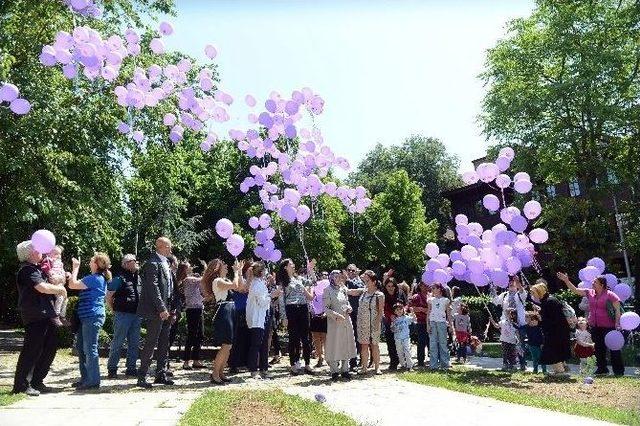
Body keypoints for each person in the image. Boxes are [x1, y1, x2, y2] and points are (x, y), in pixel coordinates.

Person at [12, 241, 65, 396]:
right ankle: (21, 385)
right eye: (38, 249)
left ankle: (37, 381)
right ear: (31, 253)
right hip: (35, 315)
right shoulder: (27, 270)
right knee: (32, 349)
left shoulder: (37, 268)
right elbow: (42, 287)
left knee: (50, 346)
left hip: (46, 314)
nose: (41, 250)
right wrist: (60, 289)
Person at [557, 273, 624, 376]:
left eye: (595, 282)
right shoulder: (590, 293)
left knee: (614, 349)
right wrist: (566, 280)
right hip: (595, 327)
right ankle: (602, 369)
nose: (592, 283)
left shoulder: (610, 295)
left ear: (601, 285)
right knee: (598, 349)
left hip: (610, 327)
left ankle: (618, 371)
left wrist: (617, 323)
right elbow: (575, 290)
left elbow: (617, 310)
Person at [68, 253, 111, 390]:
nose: (90, 261)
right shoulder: (96, 278)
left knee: (89, 348)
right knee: (81, 348)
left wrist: (75, 268)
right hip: (86, 317)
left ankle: (93, 380)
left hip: (92, 317)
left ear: (97, 264)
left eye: (92, 260)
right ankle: (86, 378)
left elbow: (72, 285)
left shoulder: (94, 278)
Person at [137, 237, 175, 388]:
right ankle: (142, 376)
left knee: (164, 343)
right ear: (160, 247)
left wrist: (172, 308)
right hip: (156, 311)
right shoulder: (152, 263)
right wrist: (161, 308)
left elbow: (170, 288)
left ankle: (161, 374)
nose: (170, 250)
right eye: (168, 247)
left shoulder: (165, 262)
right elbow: (153, 288)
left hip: (167, 309)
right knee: (151, 342)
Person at [201, 258, 240, 384]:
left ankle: (221, 372)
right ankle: (214, 374)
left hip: (230, 310)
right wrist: (236, 273)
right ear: (217, 268)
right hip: (224, 311)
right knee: (226, 345)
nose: (226, 266)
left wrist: (238, 273)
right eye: (223, 265)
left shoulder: (225, 280)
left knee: (229, 346)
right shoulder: (217, 281)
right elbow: (235, 285)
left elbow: (240, 287)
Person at [277, 258, 315, 375]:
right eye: (291, 264)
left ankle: (307, 364)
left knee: (306, 338)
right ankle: (294, 364)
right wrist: (284, 317)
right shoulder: (283, 282)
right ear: (285, 267)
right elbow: (281, 300)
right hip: (291, 309)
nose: (293, 265)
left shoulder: (299, 279)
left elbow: (313, 282)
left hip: (303, 308)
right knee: (294, 338)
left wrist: (311, 270)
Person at [106, 254, 141, 379]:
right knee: (118, 342)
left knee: (134, 343)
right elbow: (109, 295)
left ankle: (131, 368)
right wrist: (113, 310)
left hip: (136, 315)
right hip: (123, 314)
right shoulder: (119, 278)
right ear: (125, 263)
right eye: (133, 261)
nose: (136, 263)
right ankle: (112, 368)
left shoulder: (138, 278)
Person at [323, 270, 363, 381]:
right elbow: (325, 308)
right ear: (331, 278)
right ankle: (334, 371)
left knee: (346, 343)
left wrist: (349, 307)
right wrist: (335, 315)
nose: (337, 279)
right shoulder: (327, 290)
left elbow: (346, 302)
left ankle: (345, 369)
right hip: (335, 322)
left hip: (346, 320)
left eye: (339, 277)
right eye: (335, 277)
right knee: (335, 345)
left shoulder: (343, 289)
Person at [246, 261, 281, 379]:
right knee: (256, 344)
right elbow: (261, 302)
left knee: (264, 343)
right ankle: (253, 370)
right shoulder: (256, 285)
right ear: (261, 272)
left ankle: (264, 369)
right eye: (265, 270)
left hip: (263, 316)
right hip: (257, 318)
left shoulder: (260, 283)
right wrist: (272, 295)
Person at [529, 280, 571, 376]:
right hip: (555, 331)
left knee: (552, 351)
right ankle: (559, 370)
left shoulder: (549, 301)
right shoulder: (547, 301)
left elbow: (553, 319)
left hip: (556, 332)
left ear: (539, 292)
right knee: (552, 350)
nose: (533, 296)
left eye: (534, 293)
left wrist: (540, 320)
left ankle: (560, 371)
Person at [492, 276, 528, 371]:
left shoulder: (520, 294)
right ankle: (506, 363)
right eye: (510, 283)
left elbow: (523, 292)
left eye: (513, 282)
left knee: (519, 343)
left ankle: (522, 363)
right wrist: (494, 289)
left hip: (519, 323)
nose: (511, 284)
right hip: (506, 323)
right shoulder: (504, 295)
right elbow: (495, 301)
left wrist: (518, 282)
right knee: (505, 343)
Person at [357, 270, 384, 375]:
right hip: (363, 323)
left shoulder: (379, 295)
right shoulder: (363, 292)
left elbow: (380, 311)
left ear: (374, 282)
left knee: (374, 345)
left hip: (373, 322)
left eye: (368, 281)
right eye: (365, 281)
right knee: (364, 345)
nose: (366, 282)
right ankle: (364, 367)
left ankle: (377, 367)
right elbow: (351, 291)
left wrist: (377, 323)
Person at [180, 261, 205, 370]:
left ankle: (196, 359)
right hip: (192, 310)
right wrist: (206, 268)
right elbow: (203, 280)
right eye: (189, 266)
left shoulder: (193, 279)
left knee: (200, 335)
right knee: (192, 335)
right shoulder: (187, 280)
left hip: (199, 308)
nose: (191, 267)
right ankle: (186, 361)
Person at [229, 261, 251, 373]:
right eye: (250, 269)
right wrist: (239, 272)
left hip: (247, 312)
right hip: (238, 312)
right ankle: (233, 364)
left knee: (245, 338)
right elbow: (242, 288)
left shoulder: (251, 281)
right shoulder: (240, 279)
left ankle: (244, 362)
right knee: (237, 339)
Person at [382, 277, 407, 371]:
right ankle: (393, 362)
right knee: (391, 342)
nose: (390, 288)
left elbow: (406, 304)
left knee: (402, 341)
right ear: (386, 286)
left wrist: (402, 312)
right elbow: (383, 308)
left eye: (392, 286)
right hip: (389, 321)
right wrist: (390, 315)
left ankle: (404, 362)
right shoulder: (383, 295)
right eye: (388, 286)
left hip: (400, 320)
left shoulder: (400, 293)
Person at [426, 283, 453, 370]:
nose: (432, 290)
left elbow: (448, 313)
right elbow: (428, 312)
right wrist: (428, 324)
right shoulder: (430, 300)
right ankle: (433, 365)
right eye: (432, 288)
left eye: (434, 288)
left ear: (439, 289)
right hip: (433, 322)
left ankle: (445, 363)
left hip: (442, 322)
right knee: (433, 343)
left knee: (443, 343)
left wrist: (451, 325)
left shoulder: (445, 300)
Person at [41, 245, 68, 326]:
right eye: (56, 253)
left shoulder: (60, 263)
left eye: (60, 254)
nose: (59, 256)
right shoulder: (48, 260)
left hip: (60, 282)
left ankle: (62, 316)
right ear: (49, 253)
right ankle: (56, 315)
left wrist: (66, 274)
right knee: (60, 297)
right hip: (54, 282)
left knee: (65, 299)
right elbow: (45, 268)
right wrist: (50, 273)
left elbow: (62, 272)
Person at [345, 263, 364, 370]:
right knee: (345, 337)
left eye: (353, 270)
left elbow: (360, 290)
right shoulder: (343, 282)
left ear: (356, 271)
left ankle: (354, 362)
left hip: (356, 313)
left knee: (356, 337)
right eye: (349, 270)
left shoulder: (359, 281)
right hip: (345, 312)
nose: (351, 272)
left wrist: (348, 281)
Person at [408, 281, 430, 368]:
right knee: (421, 341)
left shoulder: (430, 295)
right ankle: (420, 360)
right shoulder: (416, 297)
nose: (426, 287)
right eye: (424, 285)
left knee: (430, 341)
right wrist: (421, 309)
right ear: (420, 286)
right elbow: (410, 307)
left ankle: (432, 358)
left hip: (430, 321)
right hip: (420, 322)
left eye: (427, 285)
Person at [391, 303, 415, 371]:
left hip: (406, 338)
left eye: (400, 309)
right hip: (398, 338)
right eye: (397, 310)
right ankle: (403, 365)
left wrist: (412, 312)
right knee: (399, 352)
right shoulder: (394, 319)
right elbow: (392, 329)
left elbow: (413, 319)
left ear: (403, 309)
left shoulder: (406, 317)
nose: (399, 311)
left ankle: (410, 366)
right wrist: (393, 324)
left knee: (407, 352)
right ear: (394, 311)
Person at [309, 278, 328, 368]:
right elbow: (310, 300)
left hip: (325, 316)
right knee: (316, 338)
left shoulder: (328, 288)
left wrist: (326, 312)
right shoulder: (313, 288)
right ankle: (320, 357)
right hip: (314, 316)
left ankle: (328, 357)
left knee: (325, 339)